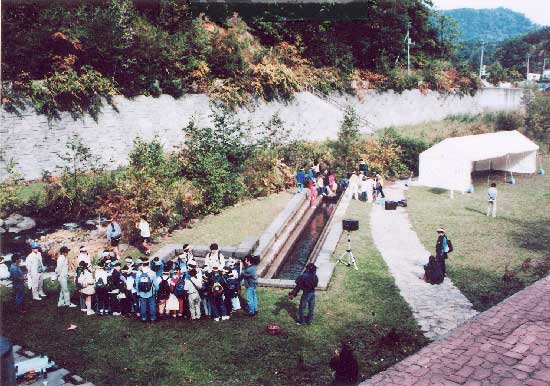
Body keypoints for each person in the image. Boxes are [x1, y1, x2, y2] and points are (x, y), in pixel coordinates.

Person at [136, 257, 158, 323]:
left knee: (143, 305)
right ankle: (153, 318)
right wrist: (156, 289)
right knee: (152, 305)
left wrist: (138, 291)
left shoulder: (138, 273)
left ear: (142, 264)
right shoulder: (152, 273)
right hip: (151, 292)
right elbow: (156, 284)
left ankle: (143, 318)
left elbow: (137, 284)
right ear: (148, 264)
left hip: (142, 292)